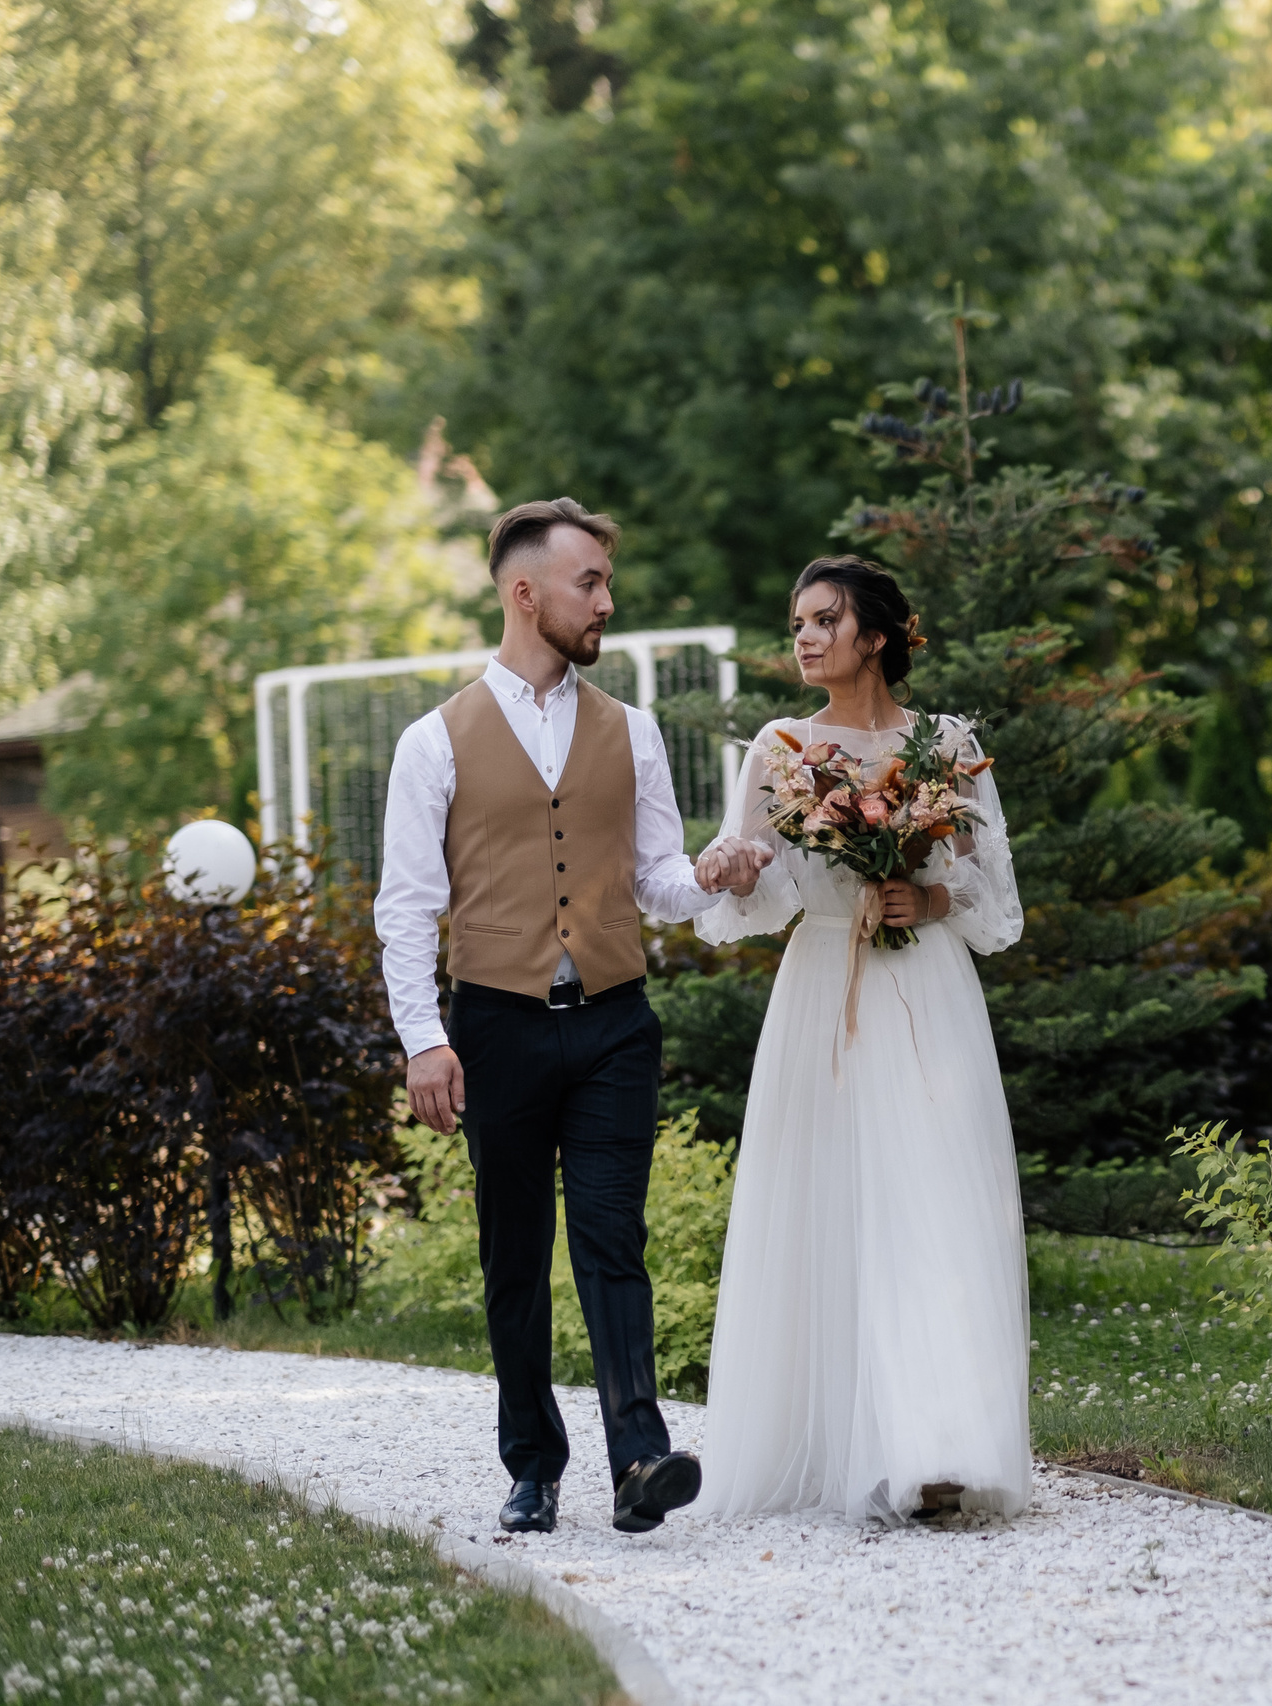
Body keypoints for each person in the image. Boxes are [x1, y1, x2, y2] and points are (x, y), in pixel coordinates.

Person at [375, 496, 771, 1536]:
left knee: (611, 1237)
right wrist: (425, 1036)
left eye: (604, 580)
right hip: (496, 1025)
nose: (606, 598)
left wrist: (715, 874)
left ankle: (639, 1455)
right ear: (525, 592)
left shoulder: (629, 729)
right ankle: (532, 1464)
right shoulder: (434, 740)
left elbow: (655, 880)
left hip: (611, 1022)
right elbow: (407, 907)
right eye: (588, 581)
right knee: (514, 1251)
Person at [688, 554, 1031, 1524]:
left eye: (823, 619)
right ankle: (840, 1436)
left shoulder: (945, 743)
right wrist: (732, 865)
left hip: (924, 987)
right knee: (832, 1202)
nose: (802, 636)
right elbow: (756, 892)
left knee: (932, 1203)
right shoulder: (781, 743)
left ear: (875, 636)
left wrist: (919, 893)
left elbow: (991, 901)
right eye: (795, 620)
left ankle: (935, 1443)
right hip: (823, 985)